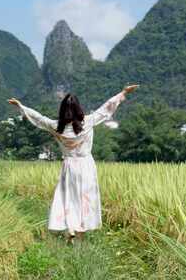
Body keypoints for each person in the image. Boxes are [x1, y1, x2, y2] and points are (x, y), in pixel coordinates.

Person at [8, 84, 139, 244]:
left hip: (69, 166)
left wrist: (21, 106)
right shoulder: (88, 122)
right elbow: (106, 108)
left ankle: (70, 227)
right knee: (85, 198)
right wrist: (124, 92)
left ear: (62, 110)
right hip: (86, 165)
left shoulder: (55, 126)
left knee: (68, 198)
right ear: (79, 108)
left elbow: (38, 118)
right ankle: (80, 233)